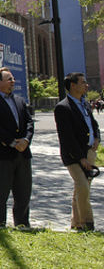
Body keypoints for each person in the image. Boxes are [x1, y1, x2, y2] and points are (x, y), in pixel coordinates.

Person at [0, 67, 34, 228]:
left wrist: (26, 140)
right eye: (9, 79)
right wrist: (12, 142)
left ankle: (22, 224)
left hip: (22, 154)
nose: (13, 81)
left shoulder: (19, 100)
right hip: (1, 156)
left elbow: (29, 122)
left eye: (13, 79)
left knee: (23, 194)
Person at [54, 72, 101, 231]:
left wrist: (97, 138)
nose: (86, 85)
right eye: (83, 82)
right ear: (73, 86)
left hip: (89, 151)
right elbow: (67, 137)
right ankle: (87, 223)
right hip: (74, 155)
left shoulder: (85, 104)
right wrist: (81, 158)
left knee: (81, 189)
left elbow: (93, 125)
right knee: (82, 186)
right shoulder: (63, 107)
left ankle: (76, 223)